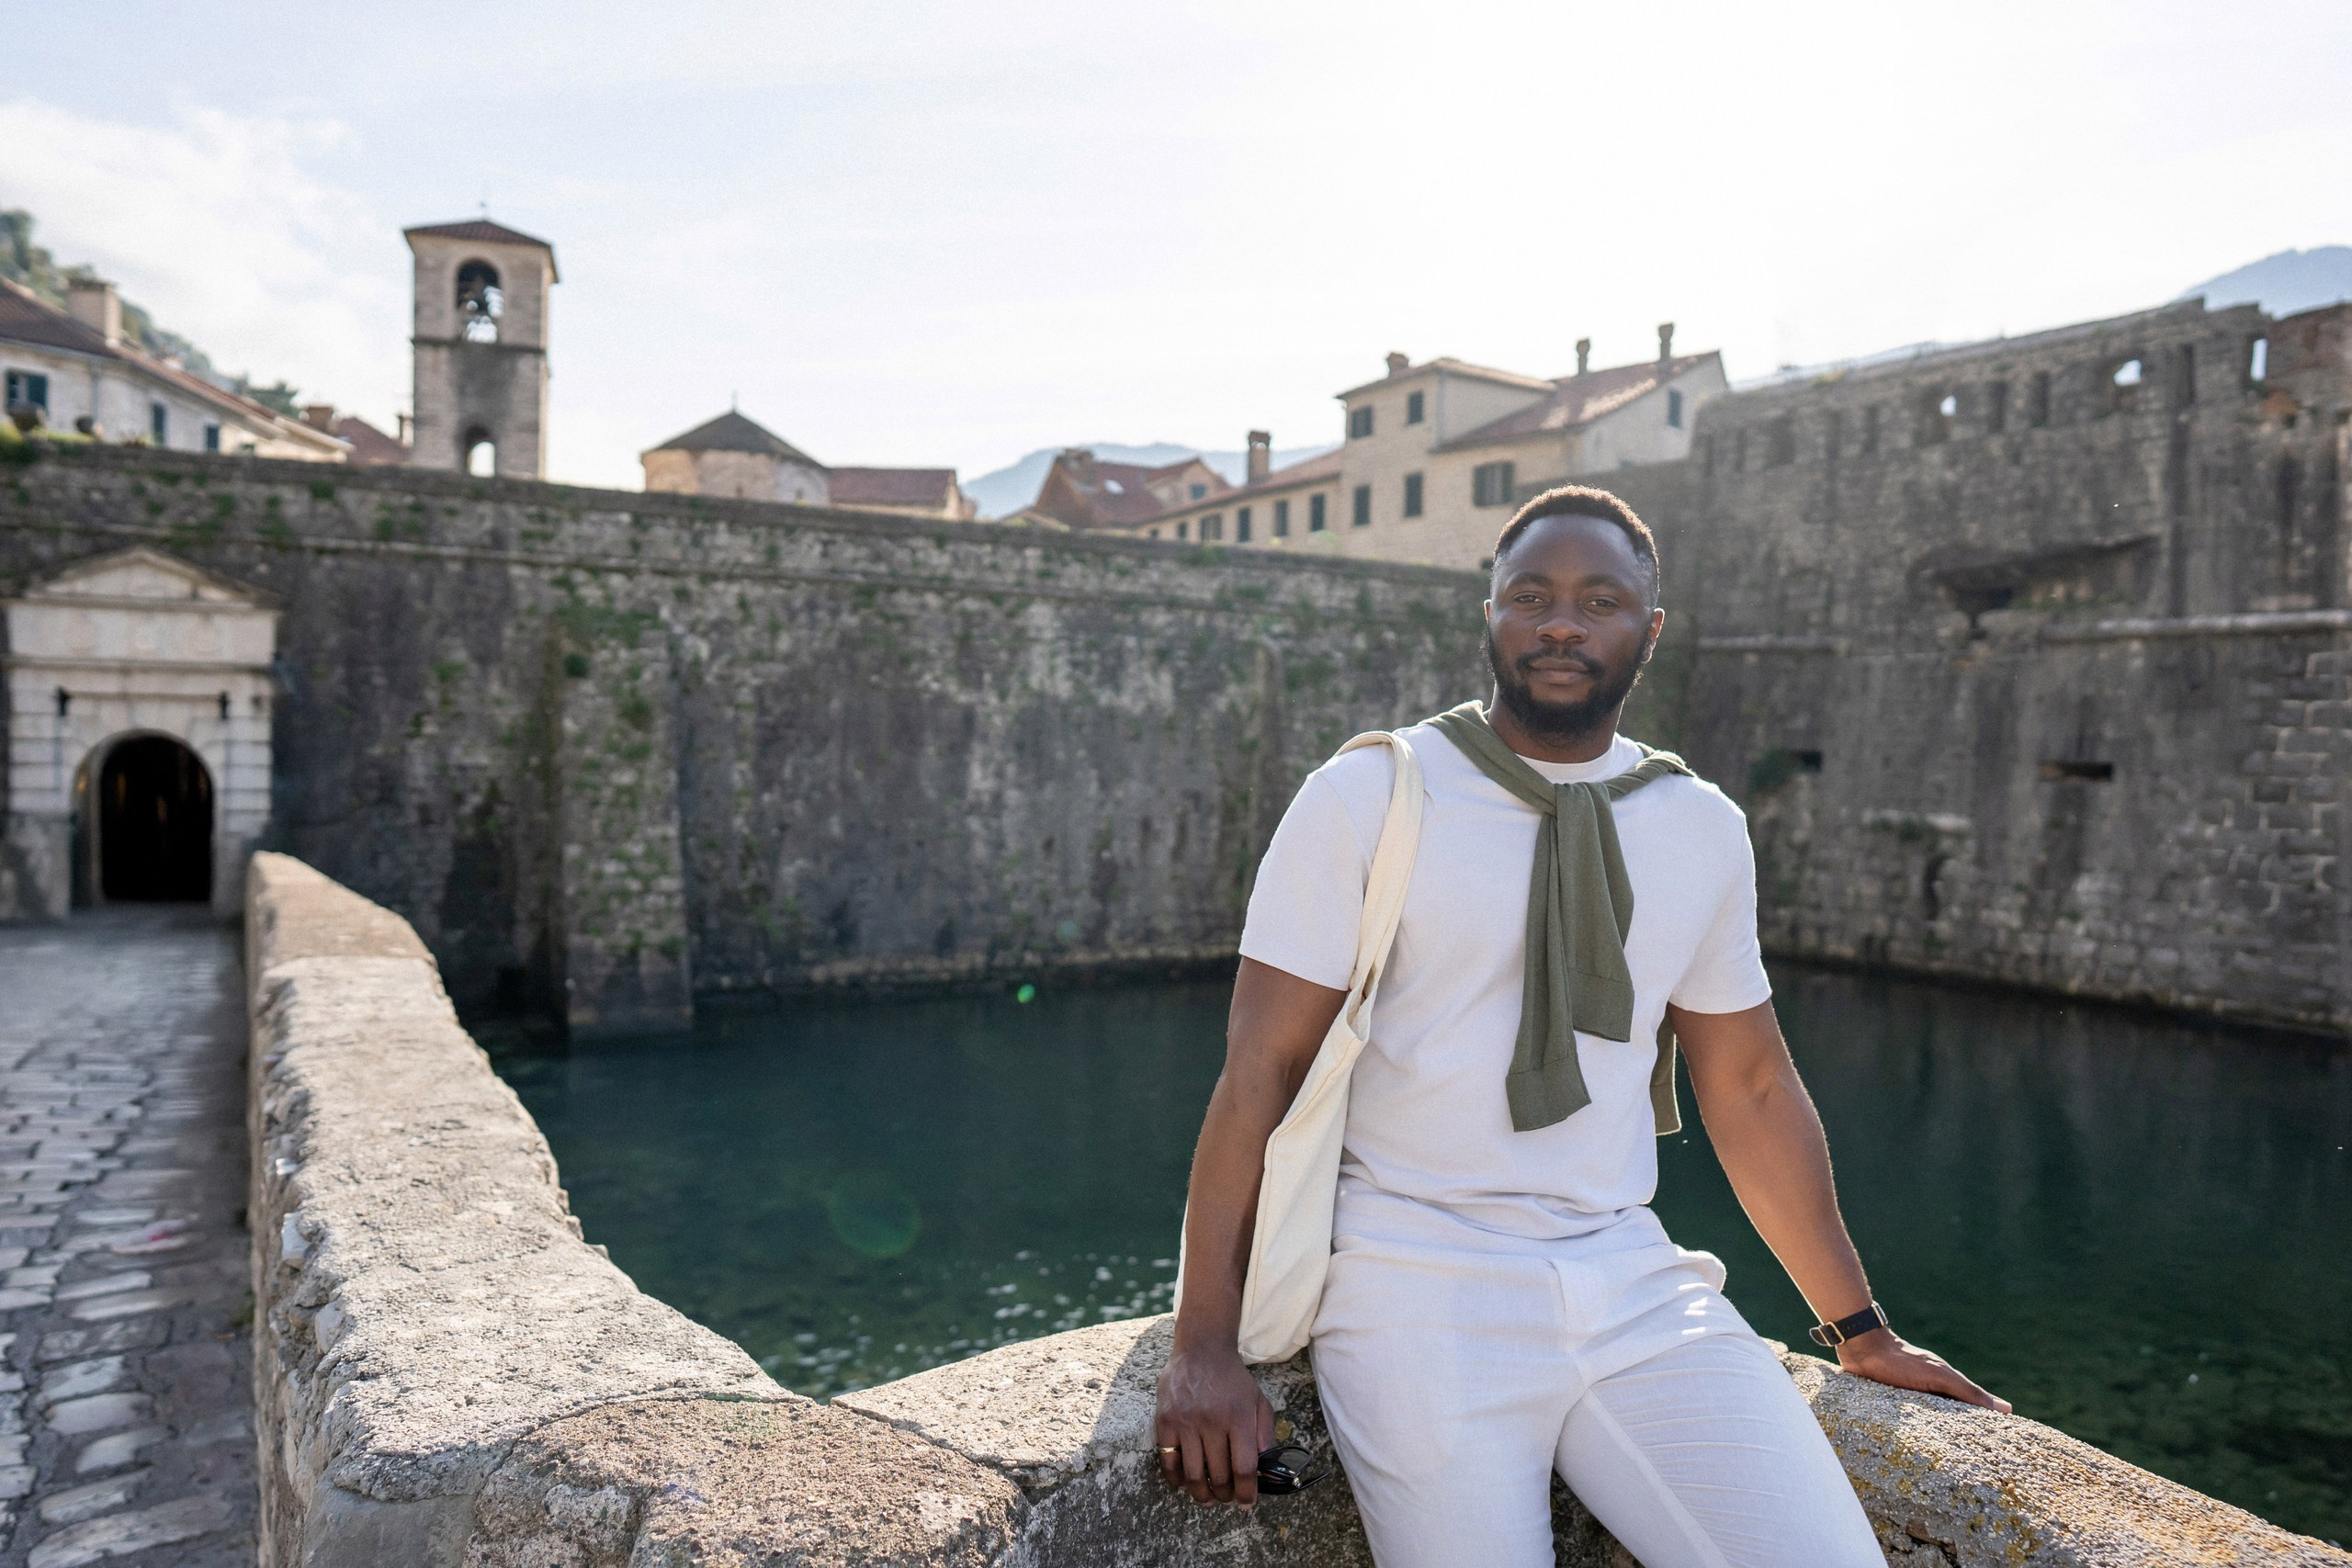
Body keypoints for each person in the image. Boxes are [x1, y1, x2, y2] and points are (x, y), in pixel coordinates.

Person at [1153, 486, 2008, 1567]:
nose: (1562, 622)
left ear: (1648, 631)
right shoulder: (1371, 793)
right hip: (1411, 1278)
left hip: (1632, 1279)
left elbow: (1746, 1086)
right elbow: (1257, 1076)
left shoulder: (1696, 823)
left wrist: (1859, 1329)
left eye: (1599, 600)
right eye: (1531, 596)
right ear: (1492, 617)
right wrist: (1202, 1347)